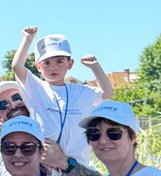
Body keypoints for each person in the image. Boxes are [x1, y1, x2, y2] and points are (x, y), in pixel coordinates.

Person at [11, 26, 114, 167]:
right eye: (46, 63)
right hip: (44, 168)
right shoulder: (36, 88)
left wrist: (95, 67)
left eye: (59, 61)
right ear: (38, 67)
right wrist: (28, 39)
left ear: (70, 64)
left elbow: (107, 94)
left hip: (77, 168)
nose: (53, 67)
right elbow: (17, 66)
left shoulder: (80, 91)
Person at [0, 81, 102, 176]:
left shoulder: (60, 143)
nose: (13, 105)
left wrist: (63, 162)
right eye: (3, 105)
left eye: (18, 97)